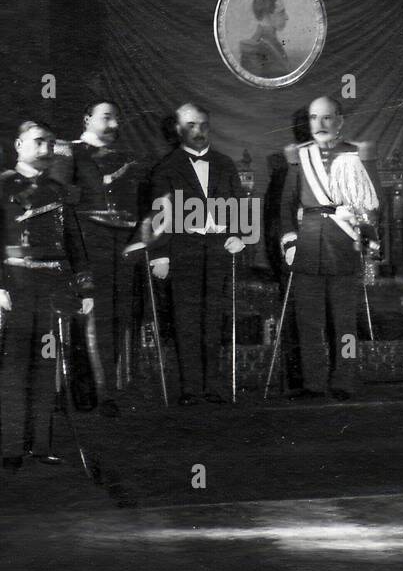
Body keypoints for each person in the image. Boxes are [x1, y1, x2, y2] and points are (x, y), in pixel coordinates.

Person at [136, 102, 246, 406]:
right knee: (185, 320)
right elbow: (159, 214)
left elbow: (238, 204)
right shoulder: (166, 168)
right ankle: (190, 389)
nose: (197, 132)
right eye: (190, 126)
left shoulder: (225, 163)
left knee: (214, 319)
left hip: (218, 250)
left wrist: (239, 234)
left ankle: (213, 386)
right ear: (177, 129)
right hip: (182, 251)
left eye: (202, 125)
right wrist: (160, 254)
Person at [0, 121, 94, 471]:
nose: (46, 149)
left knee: (45, 366)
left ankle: (40, 445)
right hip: (16, 287)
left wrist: (84, 287)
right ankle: (10, 447)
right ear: (19, 145)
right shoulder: (3, 186)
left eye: (51, 143)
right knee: (13, 368)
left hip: (53, 290)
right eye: (39, 142)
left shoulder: (58, 191)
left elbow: (74, 242)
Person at [278, 96, 380, 401]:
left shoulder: (355, 154)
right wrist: (289, 242)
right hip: (308, 243)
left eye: (326, 118)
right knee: (309, 321)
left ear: (340, 121)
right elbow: (286, 207)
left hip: (343, 244)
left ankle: (344, 381)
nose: (319, 125)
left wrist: (368, 240)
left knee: (344, 322)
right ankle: (313, 382)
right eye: (313, 118)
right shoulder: (300, 157)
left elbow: (373, 204)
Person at [51, 100, 142, 417]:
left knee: (116, 317)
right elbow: (59, 201)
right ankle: (87, 393)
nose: (114, 124)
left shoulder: (126, 158)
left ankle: (106, 391)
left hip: (121, 244)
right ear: (87, 119)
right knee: (89, 317)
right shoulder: (69, 151)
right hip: (86, 242)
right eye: (106, 118)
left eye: (117, 119)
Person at [240, 0, 291, 78]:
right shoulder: (253, 49)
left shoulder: (272, 42)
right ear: (266, 16)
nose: (287, 17)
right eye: (281, 12)